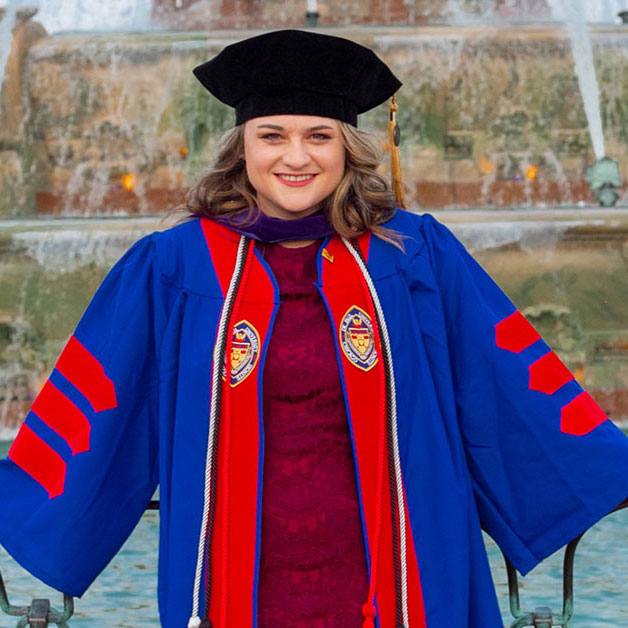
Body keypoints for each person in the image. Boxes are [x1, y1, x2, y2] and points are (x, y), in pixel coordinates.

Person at [1, 29, 627, 628]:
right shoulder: (174, 267)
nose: (295, 157)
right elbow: (95, 403)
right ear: (242, 147)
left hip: (403, 570)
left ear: (347, 149)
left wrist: (605, 465)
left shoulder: (413, 256)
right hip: (233, 576)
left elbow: (509, 384)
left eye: (318, 137)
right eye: (272, 135)